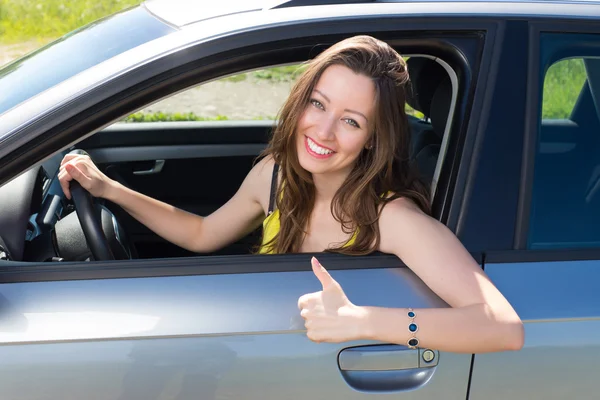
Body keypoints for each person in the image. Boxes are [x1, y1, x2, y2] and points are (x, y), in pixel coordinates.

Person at [58, 35, 524, 354]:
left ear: (373, 138)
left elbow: (503, 327)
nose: (321, 130)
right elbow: (202, 234)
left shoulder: (390, 217)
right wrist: (110, 189)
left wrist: (362, 320)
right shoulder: (276, 175)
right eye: (317, 104)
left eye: (351, 120)